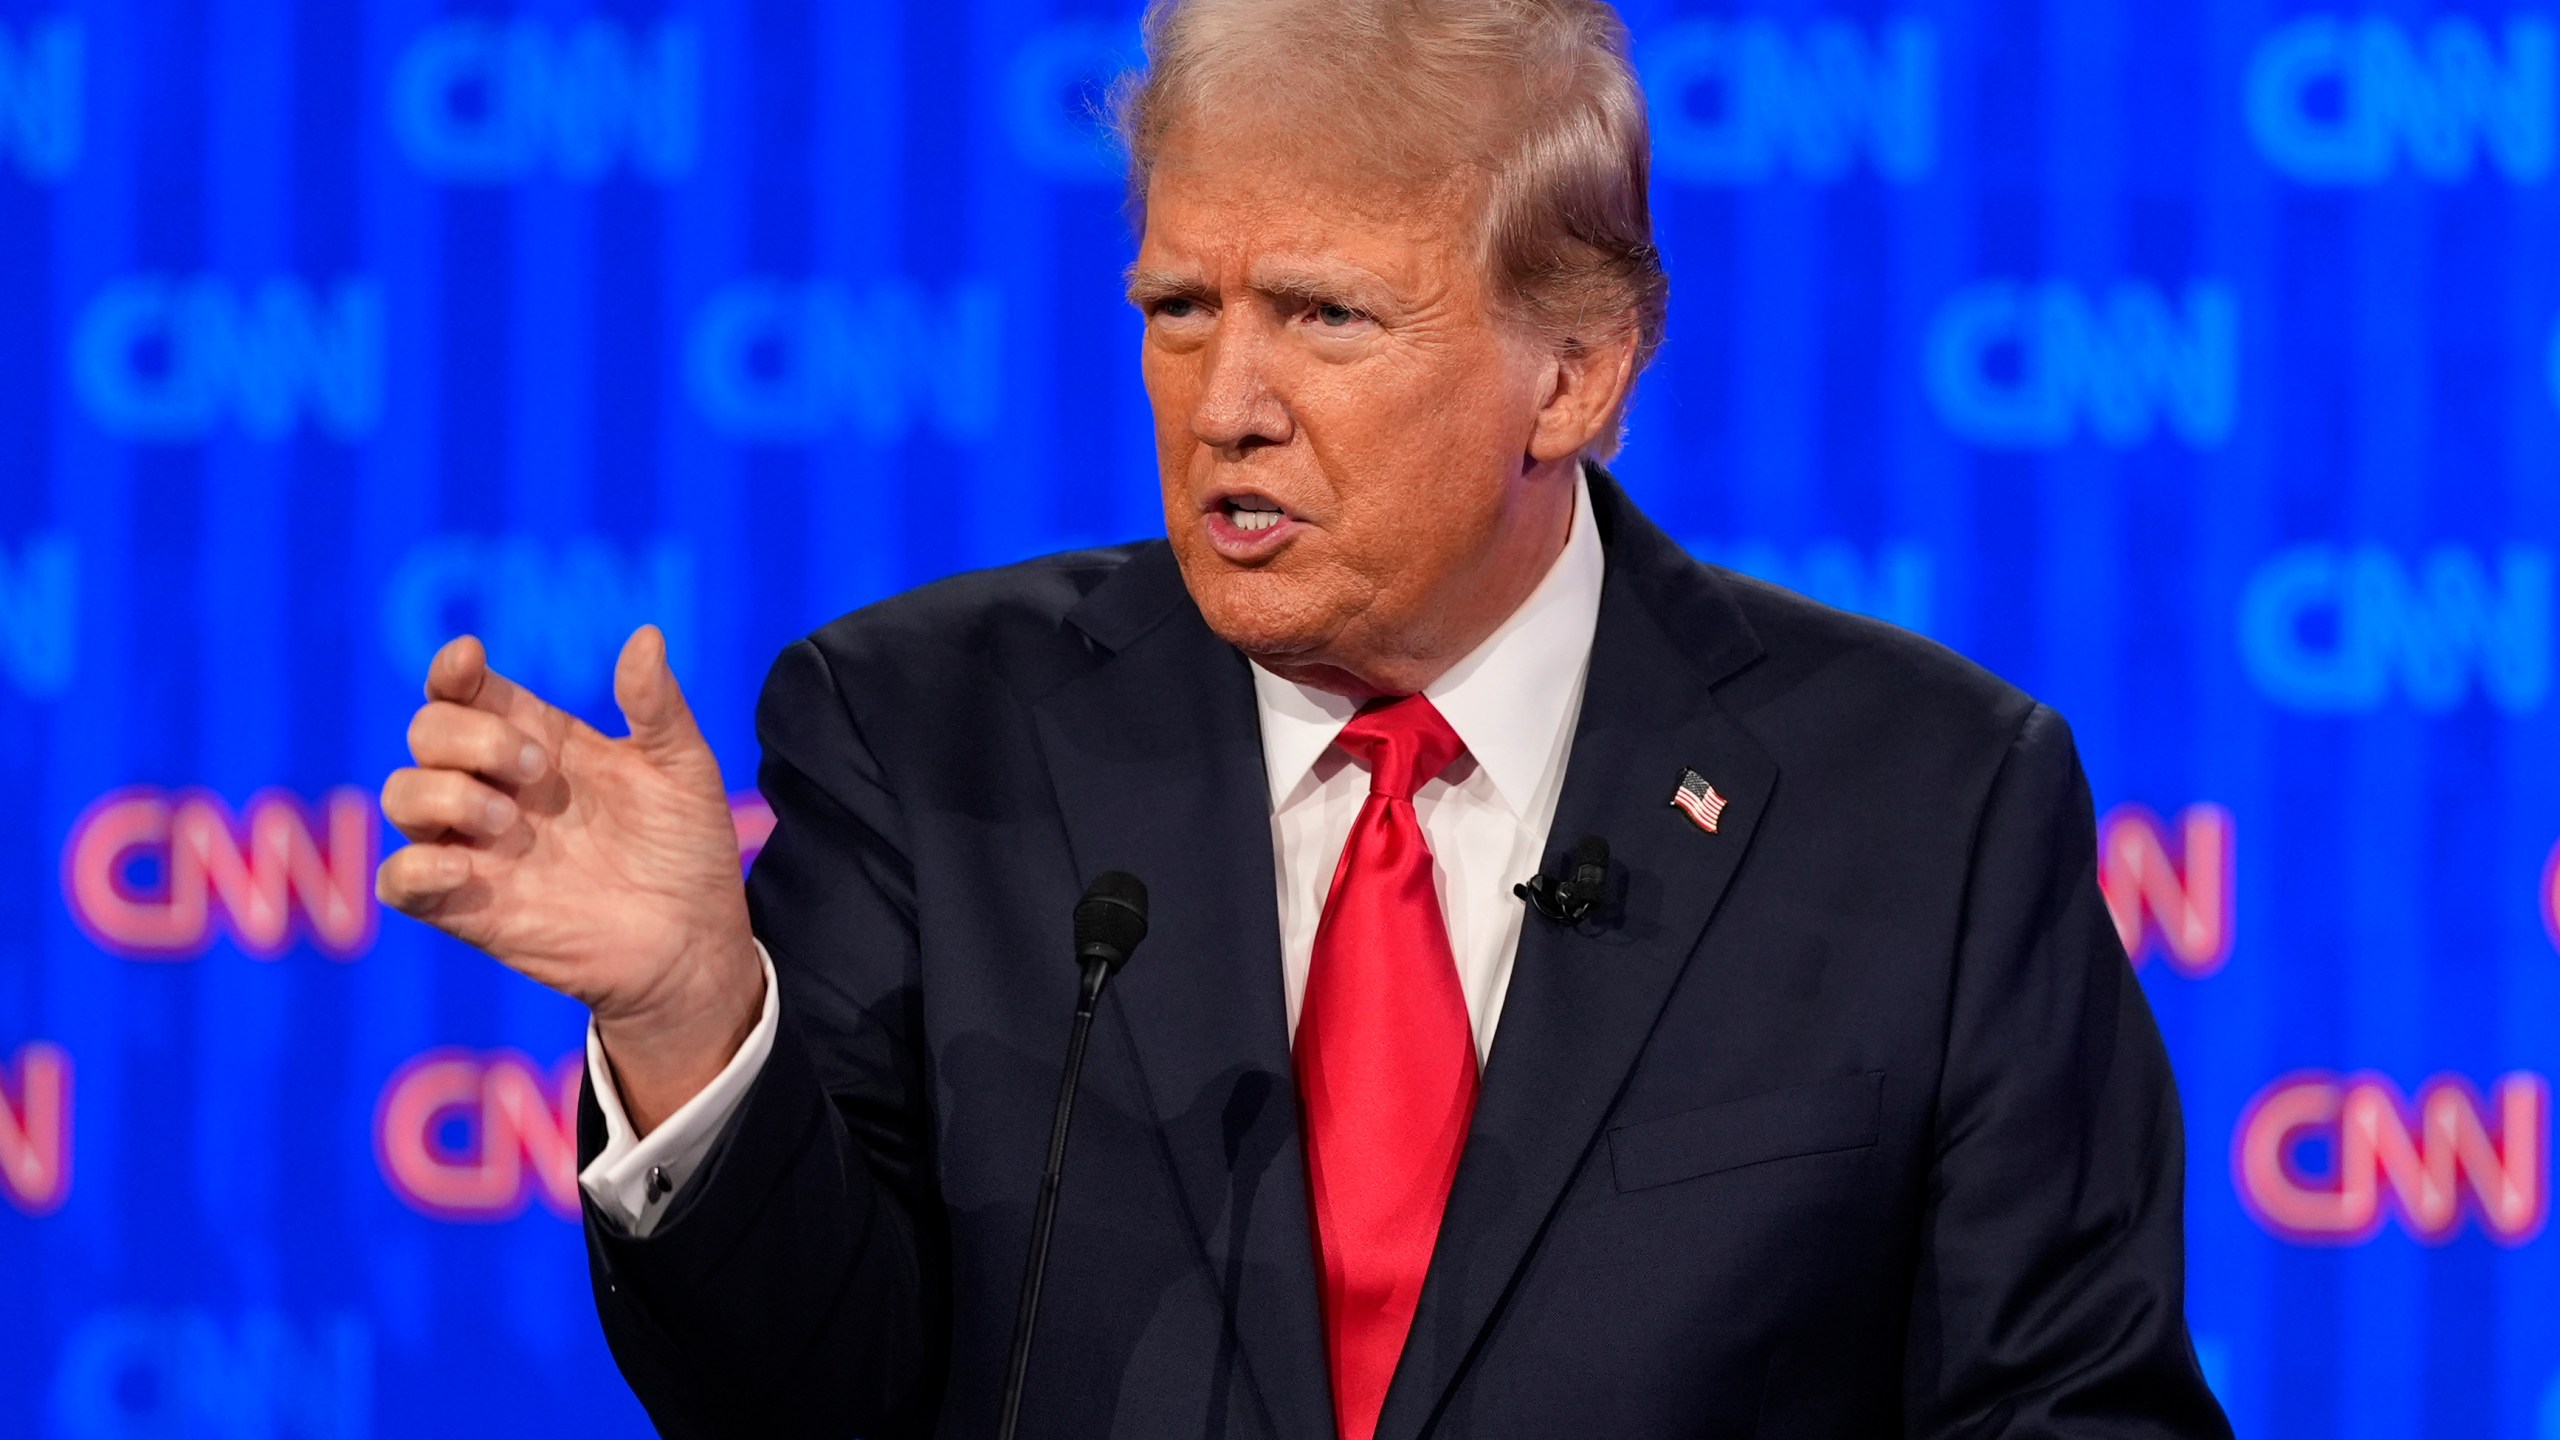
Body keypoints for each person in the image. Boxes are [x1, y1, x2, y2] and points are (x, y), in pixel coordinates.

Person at [376, 1, 2234, 1435]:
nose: (1226, 402)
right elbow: (812, 1405)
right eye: (1179, 305)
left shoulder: (1926, 806)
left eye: (1327, 317)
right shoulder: (922, 738)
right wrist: (694, 1021)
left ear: (1572, 372)